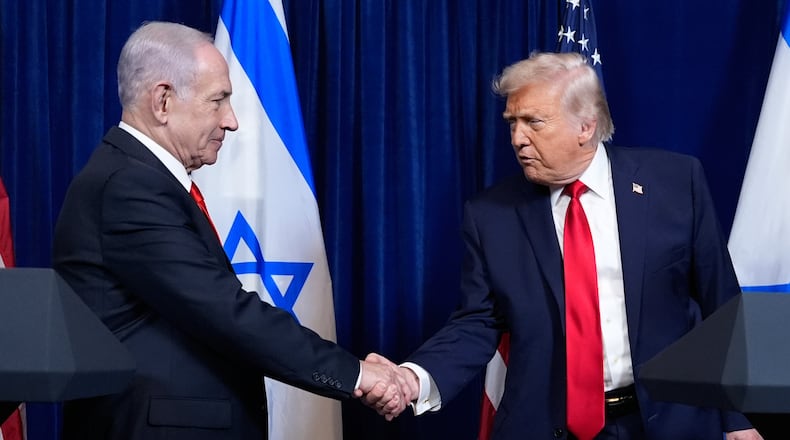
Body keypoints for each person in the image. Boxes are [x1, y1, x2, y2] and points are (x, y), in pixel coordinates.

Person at [363, 52, 763, 439]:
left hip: (670, 421)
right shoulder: (490, 215)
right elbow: (476, 323)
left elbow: (722, 306)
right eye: (512, 122)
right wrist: (413, 378)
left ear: (585, 127)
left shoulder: (676, 182)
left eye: (533, 122)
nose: (518, 138)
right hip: (545, 424)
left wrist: (739, 416)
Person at [52, 21, 405, 439]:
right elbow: (222, 310)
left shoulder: (140, 179)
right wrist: (356, 375)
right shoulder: (128, 187)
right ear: (163, 101)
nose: (232, 121)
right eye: (218, 100)